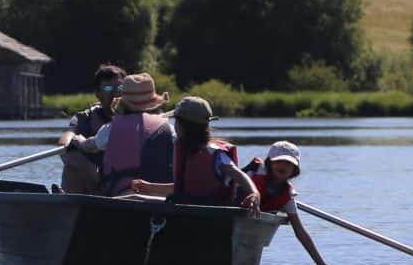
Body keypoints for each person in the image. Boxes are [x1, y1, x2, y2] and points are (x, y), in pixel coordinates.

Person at [128, 95, 260, 210]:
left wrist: (254, 193)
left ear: (181, 126)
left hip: (212, 212)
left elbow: (240, 176)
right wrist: (150, 187)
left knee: (132, 199)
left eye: (176, 122)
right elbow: (185, 188)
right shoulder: (186, 151)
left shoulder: (215, 153)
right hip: (187, 207)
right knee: (133, 198)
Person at [64, 72, 174, 195]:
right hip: (160, 197)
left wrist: (78, 140)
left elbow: (89, 146)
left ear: (123, 103)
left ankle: (71, 202)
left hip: (120, 195)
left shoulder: (111, 128)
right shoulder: (168, 128)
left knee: (74, 160)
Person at [244, 140, 334, 265]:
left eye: (288, 163)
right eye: (278, 161)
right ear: (269, 163)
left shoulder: (287, 196)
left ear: (294, 169)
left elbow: (300, 231)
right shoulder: (250, 176)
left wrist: (320, 264)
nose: (283, 166)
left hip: (251, 233)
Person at [56, 64, 126, 193]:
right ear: (98, 94)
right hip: (97, 180)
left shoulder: (137, 115)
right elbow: (65, 140)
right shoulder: (86, 117)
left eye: (120, 87)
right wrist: (72, 139)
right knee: (73, 159)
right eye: (109, 88)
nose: (116, 92)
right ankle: (69, 203)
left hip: (127, 179)